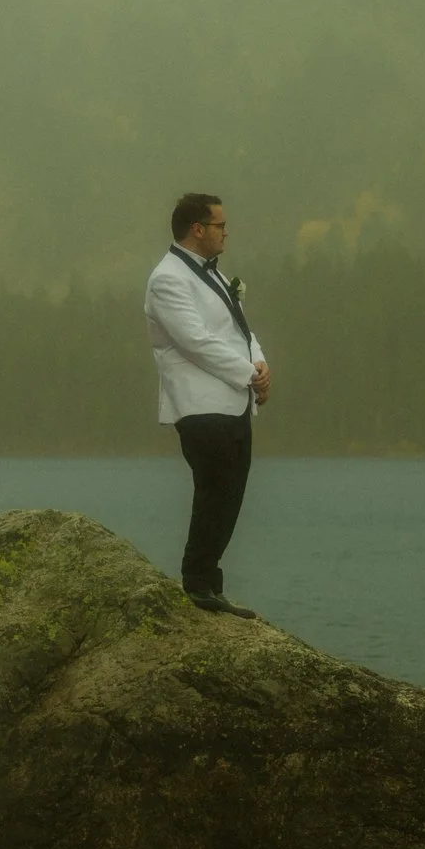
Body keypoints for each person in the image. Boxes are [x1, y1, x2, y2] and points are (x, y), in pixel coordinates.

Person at [144, 192, 271, 617]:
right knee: (214, 492)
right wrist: (248, 374)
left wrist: (260, 364)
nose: (226, 233)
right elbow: (194, 341)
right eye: (220, 225)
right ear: (197, 229)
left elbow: (240, 330)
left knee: (230, 496)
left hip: (233, 401)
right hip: (199, 405)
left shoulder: (215, 274)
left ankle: (209, 582)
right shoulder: (167, 279)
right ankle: (197, 581)